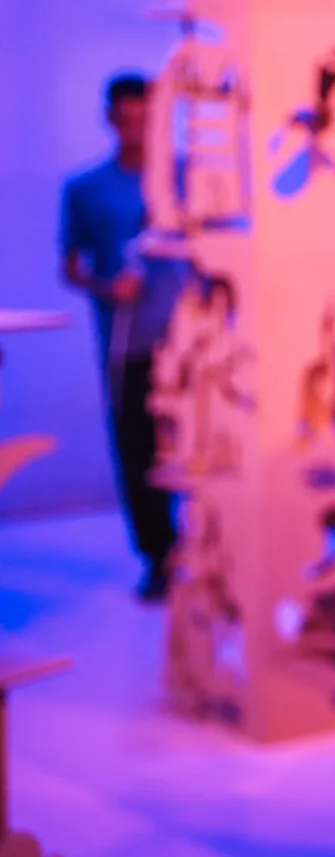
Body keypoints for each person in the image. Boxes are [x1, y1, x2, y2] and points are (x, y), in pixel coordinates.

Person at [60, 73, 189, 601]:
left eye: (146, 117)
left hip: (190, 343)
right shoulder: (86, 189)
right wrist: (108, 286)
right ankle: (157, 555)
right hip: (128, 341)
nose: (137, 127)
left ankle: (203, 552)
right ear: (112, 118)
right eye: (127, 117)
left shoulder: (189, 175)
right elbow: (70, 266)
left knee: (202, 448)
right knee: (138, 450)